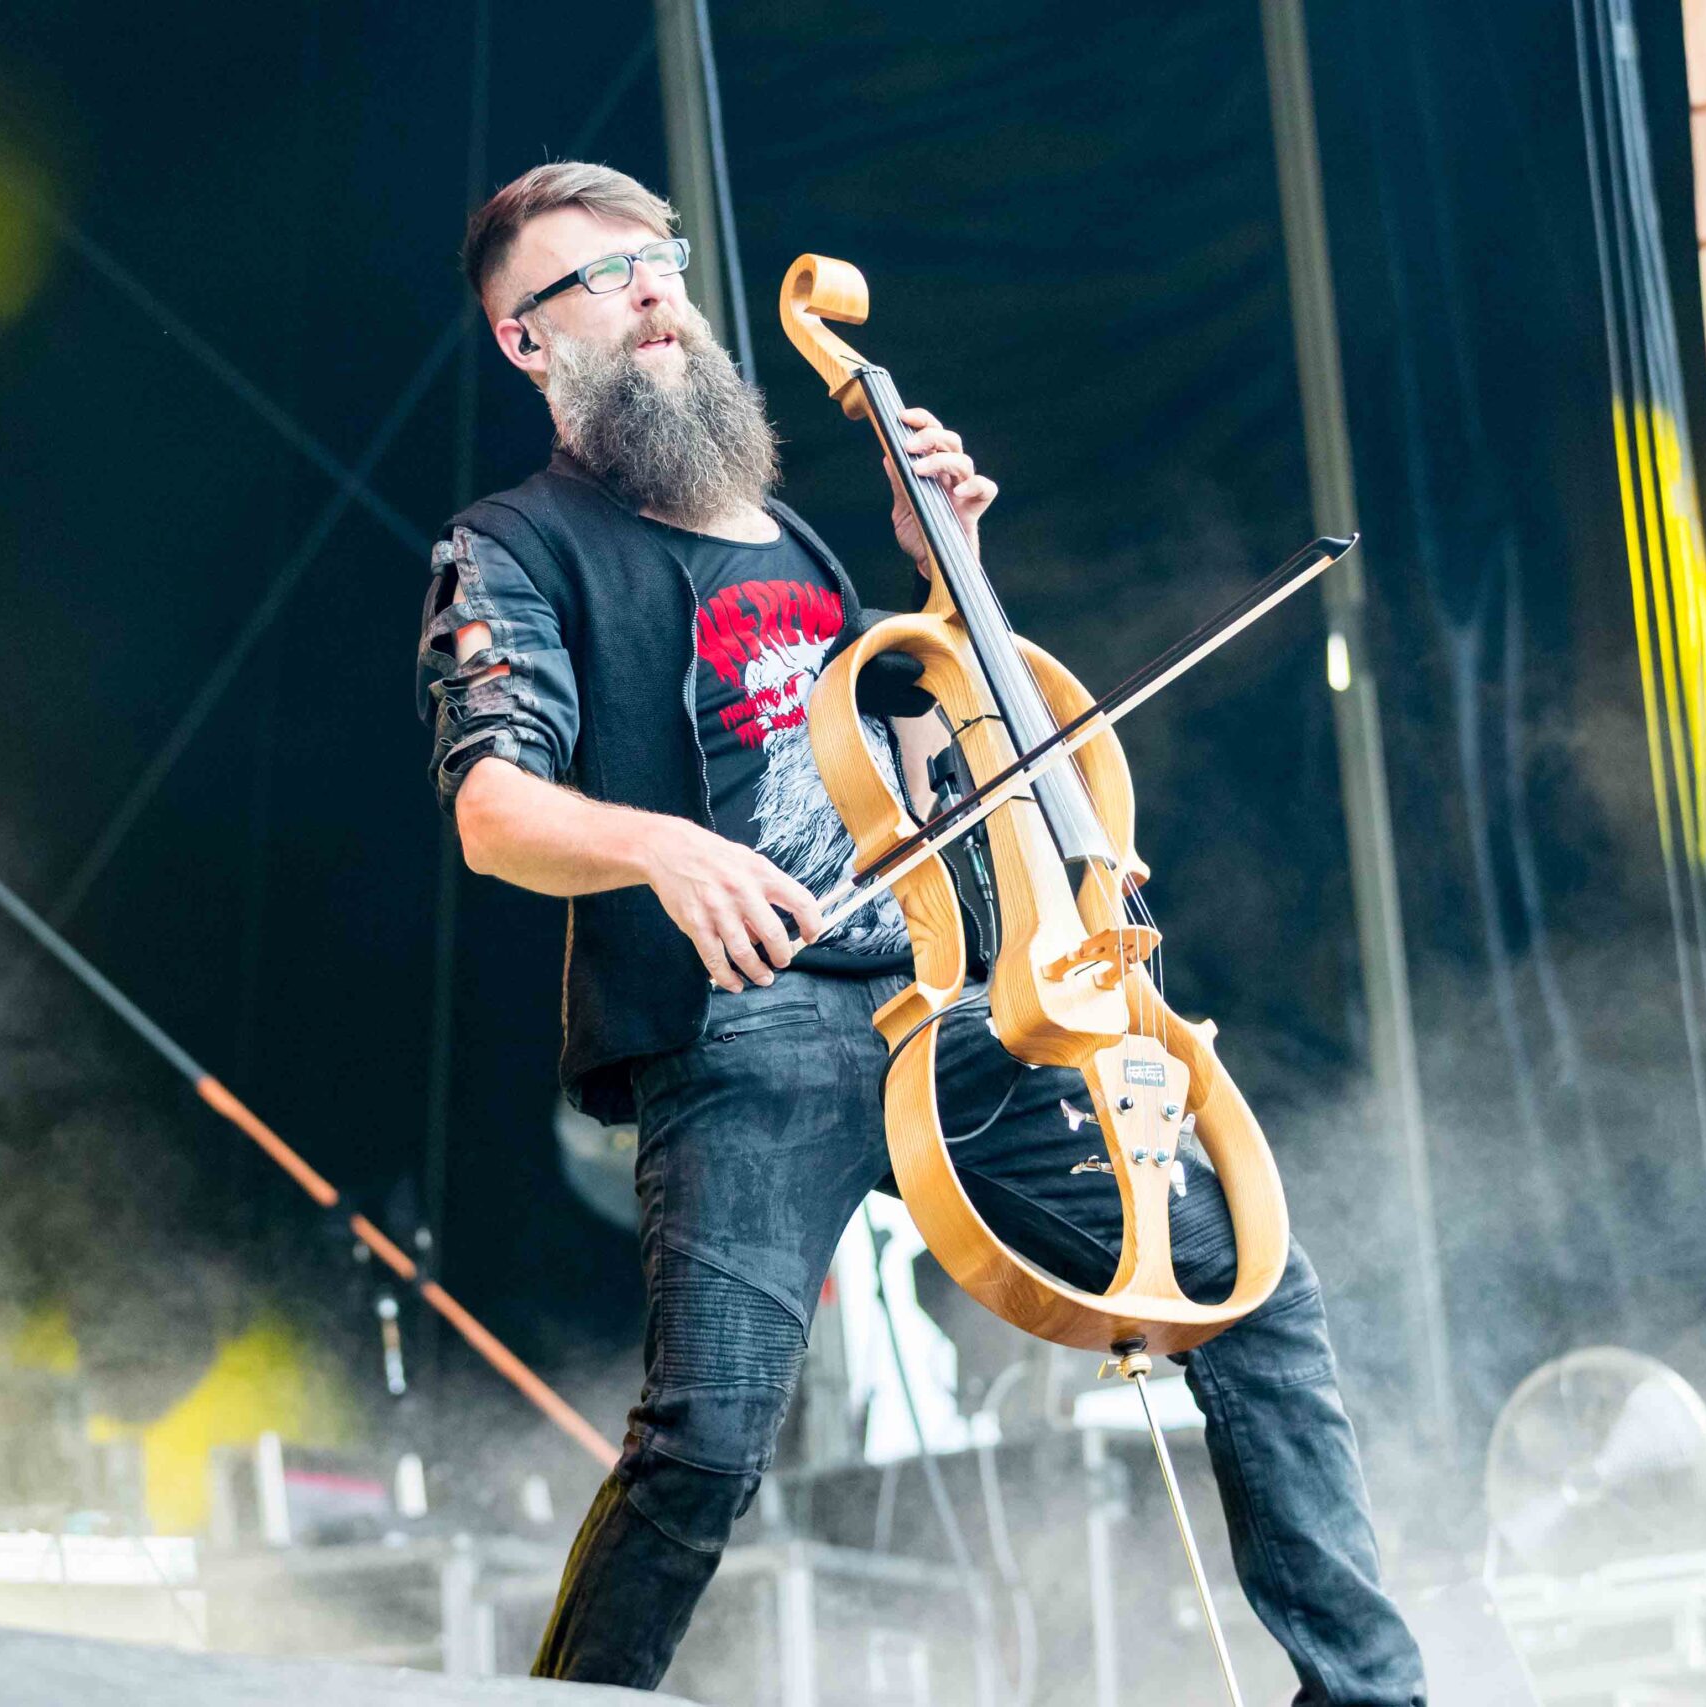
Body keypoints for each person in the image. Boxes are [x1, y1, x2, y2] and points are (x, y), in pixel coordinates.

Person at [414, 160, 1426, 1704]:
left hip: (935, 1005)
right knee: (703, 1446)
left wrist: (948, 567)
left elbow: (935, 768)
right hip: (745, 1030)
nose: (653, 288)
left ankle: (1368, 1693)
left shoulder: (802, 550)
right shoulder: (514, 547)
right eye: (599, 276)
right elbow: (494, 810)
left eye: (659, 257)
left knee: (1248, 1285)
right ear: (527, 339)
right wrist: (664, 849)